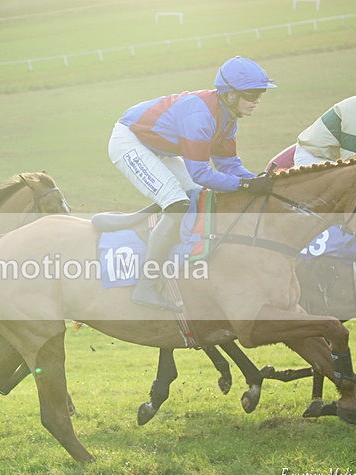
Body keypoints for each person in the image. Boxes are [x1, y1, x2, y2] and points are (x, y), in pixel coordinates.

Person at [107, 56, 277, 312]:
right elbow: (200, 173)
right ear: (230, 95)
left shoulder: (228, 119)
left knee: (198, 197)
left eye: (260, 94)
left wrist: (257, 181)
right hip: (131, 141)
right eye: (251, 94)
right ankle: (146, 286)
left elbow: (228, 166)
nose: (257, 101)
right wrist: (245, 186)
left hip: (158, 146)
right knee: (176, 204)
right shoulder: (201, 117)